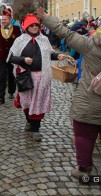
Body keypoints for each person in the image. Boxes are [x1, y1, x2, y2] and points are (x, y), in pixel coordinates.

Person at [37, 8, 101, 193]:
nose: (99, 26)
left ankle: (84, 171)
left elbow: (65, 33)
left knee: (84, 136)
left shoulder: (91, 44)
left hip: (89, 100)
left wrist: (45, 18)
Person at [7, 14, 66, 142]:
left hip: (42, 76)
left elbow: (50, 54)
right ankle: (29, 121)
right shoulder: (20, 40)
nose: (34, 27)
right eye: (31, 25)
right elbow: (10, 58)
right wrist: (23, 59)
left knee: (38, 102)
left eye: (36, 25)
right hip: (25, 76)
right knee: (27, 103)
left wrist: (58, 56)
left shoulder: (44, 39)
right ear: (26, 27)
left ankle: (35, 129)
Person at [0, 4, 21, 103]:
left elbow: (19, 43)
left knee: (11, 75)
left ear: (10, 19)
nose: (3, 21)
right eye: (2, 19)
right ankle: (1, 96)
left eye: (5, 19)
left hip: (12, 57)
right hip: (1, 57)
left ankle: (11, 91)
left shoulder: (17, 29)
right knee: (2, 76)